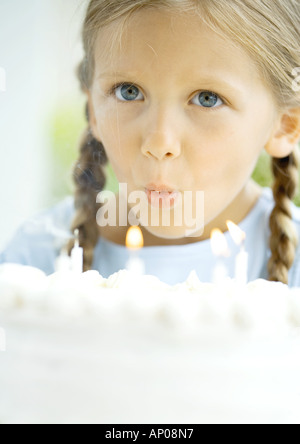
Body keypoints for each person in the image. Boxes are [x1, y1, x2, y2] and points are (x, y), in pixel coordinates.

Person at [1, 0, 300, 286]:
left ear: (286, 125)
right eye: (128, 91)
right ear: (93, 109)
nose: (159, 142)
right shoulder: (33, 261)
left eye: (207, 99)